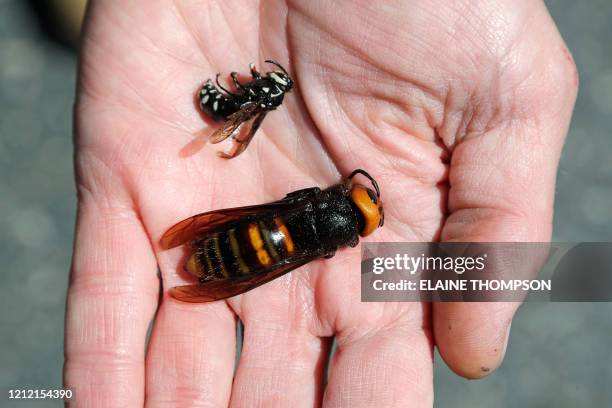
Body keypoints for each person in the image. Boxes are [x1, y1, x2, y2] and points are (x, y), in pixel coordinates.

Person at [64, 1, 578, 406]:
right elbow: (302, 234)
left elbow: (285, 206)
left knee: (259, 234)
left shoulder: (318, 202)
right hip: (262, 251)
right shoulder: (333, 241)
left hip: (247, 230)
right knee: (266, 256)